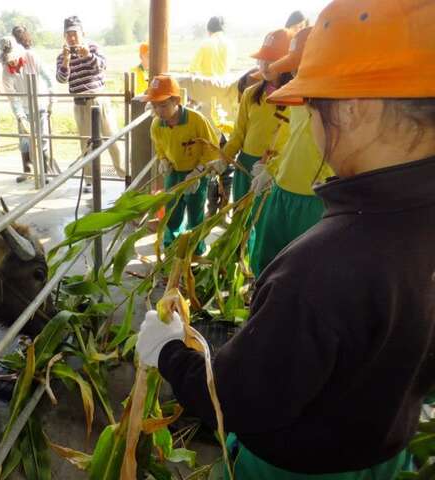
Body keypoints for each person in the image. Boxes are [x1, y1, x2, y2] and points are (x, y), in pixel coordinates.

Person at [137, 0, 434, 478]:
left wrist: (170, 352)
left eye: (314, 107)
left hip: (296, 467)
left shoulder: (322, 267)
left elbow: (240, 400)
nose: (312, 127)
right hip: (385, 455)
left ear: (354, 108)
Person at [248, 27, 334, 277]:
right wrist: (269, 169)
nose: (295, 73)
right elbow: (286, 140)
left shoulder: (337, 105)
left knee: (305, 268)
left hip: (315, 198)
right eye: (293, 68)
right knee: (268, 257)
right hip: (282, 189)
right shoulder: (295, 98)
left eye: (300, 67)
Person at [144, 75, 220, 256]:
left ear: (176, 101)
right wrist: (163, 160)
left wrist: (200, 170)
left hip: (196, 174)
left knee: (195, 212)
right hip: (174, 173)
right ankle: (171, 246)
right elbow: (160, 146)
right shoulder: (156, 124)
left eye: (163, 106)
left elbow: (212, 147)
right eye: (154, 106)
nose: (158, 111)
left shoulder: (196, 120)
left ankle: (196, 248)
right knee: (172, 211)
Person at [219, 29, 292, 202]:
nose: (264, 66)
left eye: (272, 60)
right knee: (240, 219)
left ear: (287, 62)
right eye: (262, 60)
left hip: (274, 168)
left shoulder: (297, 99)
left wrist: (272, 168)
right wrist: (223, 158)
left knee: (264, 220)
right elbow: (238, 134)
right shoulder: (250, 94)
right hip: (245, 164)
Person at [56, 15, 125, 193]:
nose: (72, 38)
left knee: (112, 138)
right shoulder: (63, 55)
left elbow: (101, 67)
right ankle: (89, 180)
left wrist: (88, 55)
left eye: (75, 33)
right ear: (64, 36)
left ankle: (125, 175)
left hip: (98, 99)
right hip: (79, 103)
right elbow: (61, 79)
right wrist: (66, 61)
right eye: (68, 34)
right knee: (86, 143)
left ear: (83, 33)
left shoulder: (93, 48)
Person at [0, 35, 53, 183]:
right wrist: (20, 117)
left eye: (13, 58)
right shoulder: (6, 70)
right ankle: (27, 170)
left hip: (39, 102)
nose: (12, 61)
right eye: (8, 59)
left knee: (42, 137)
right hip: (23, 107)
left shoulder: (31, 57)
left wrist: (51, 99)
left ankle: (45, 171)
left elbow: (48, 77)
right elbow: (12, 96)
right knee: (24, 140)